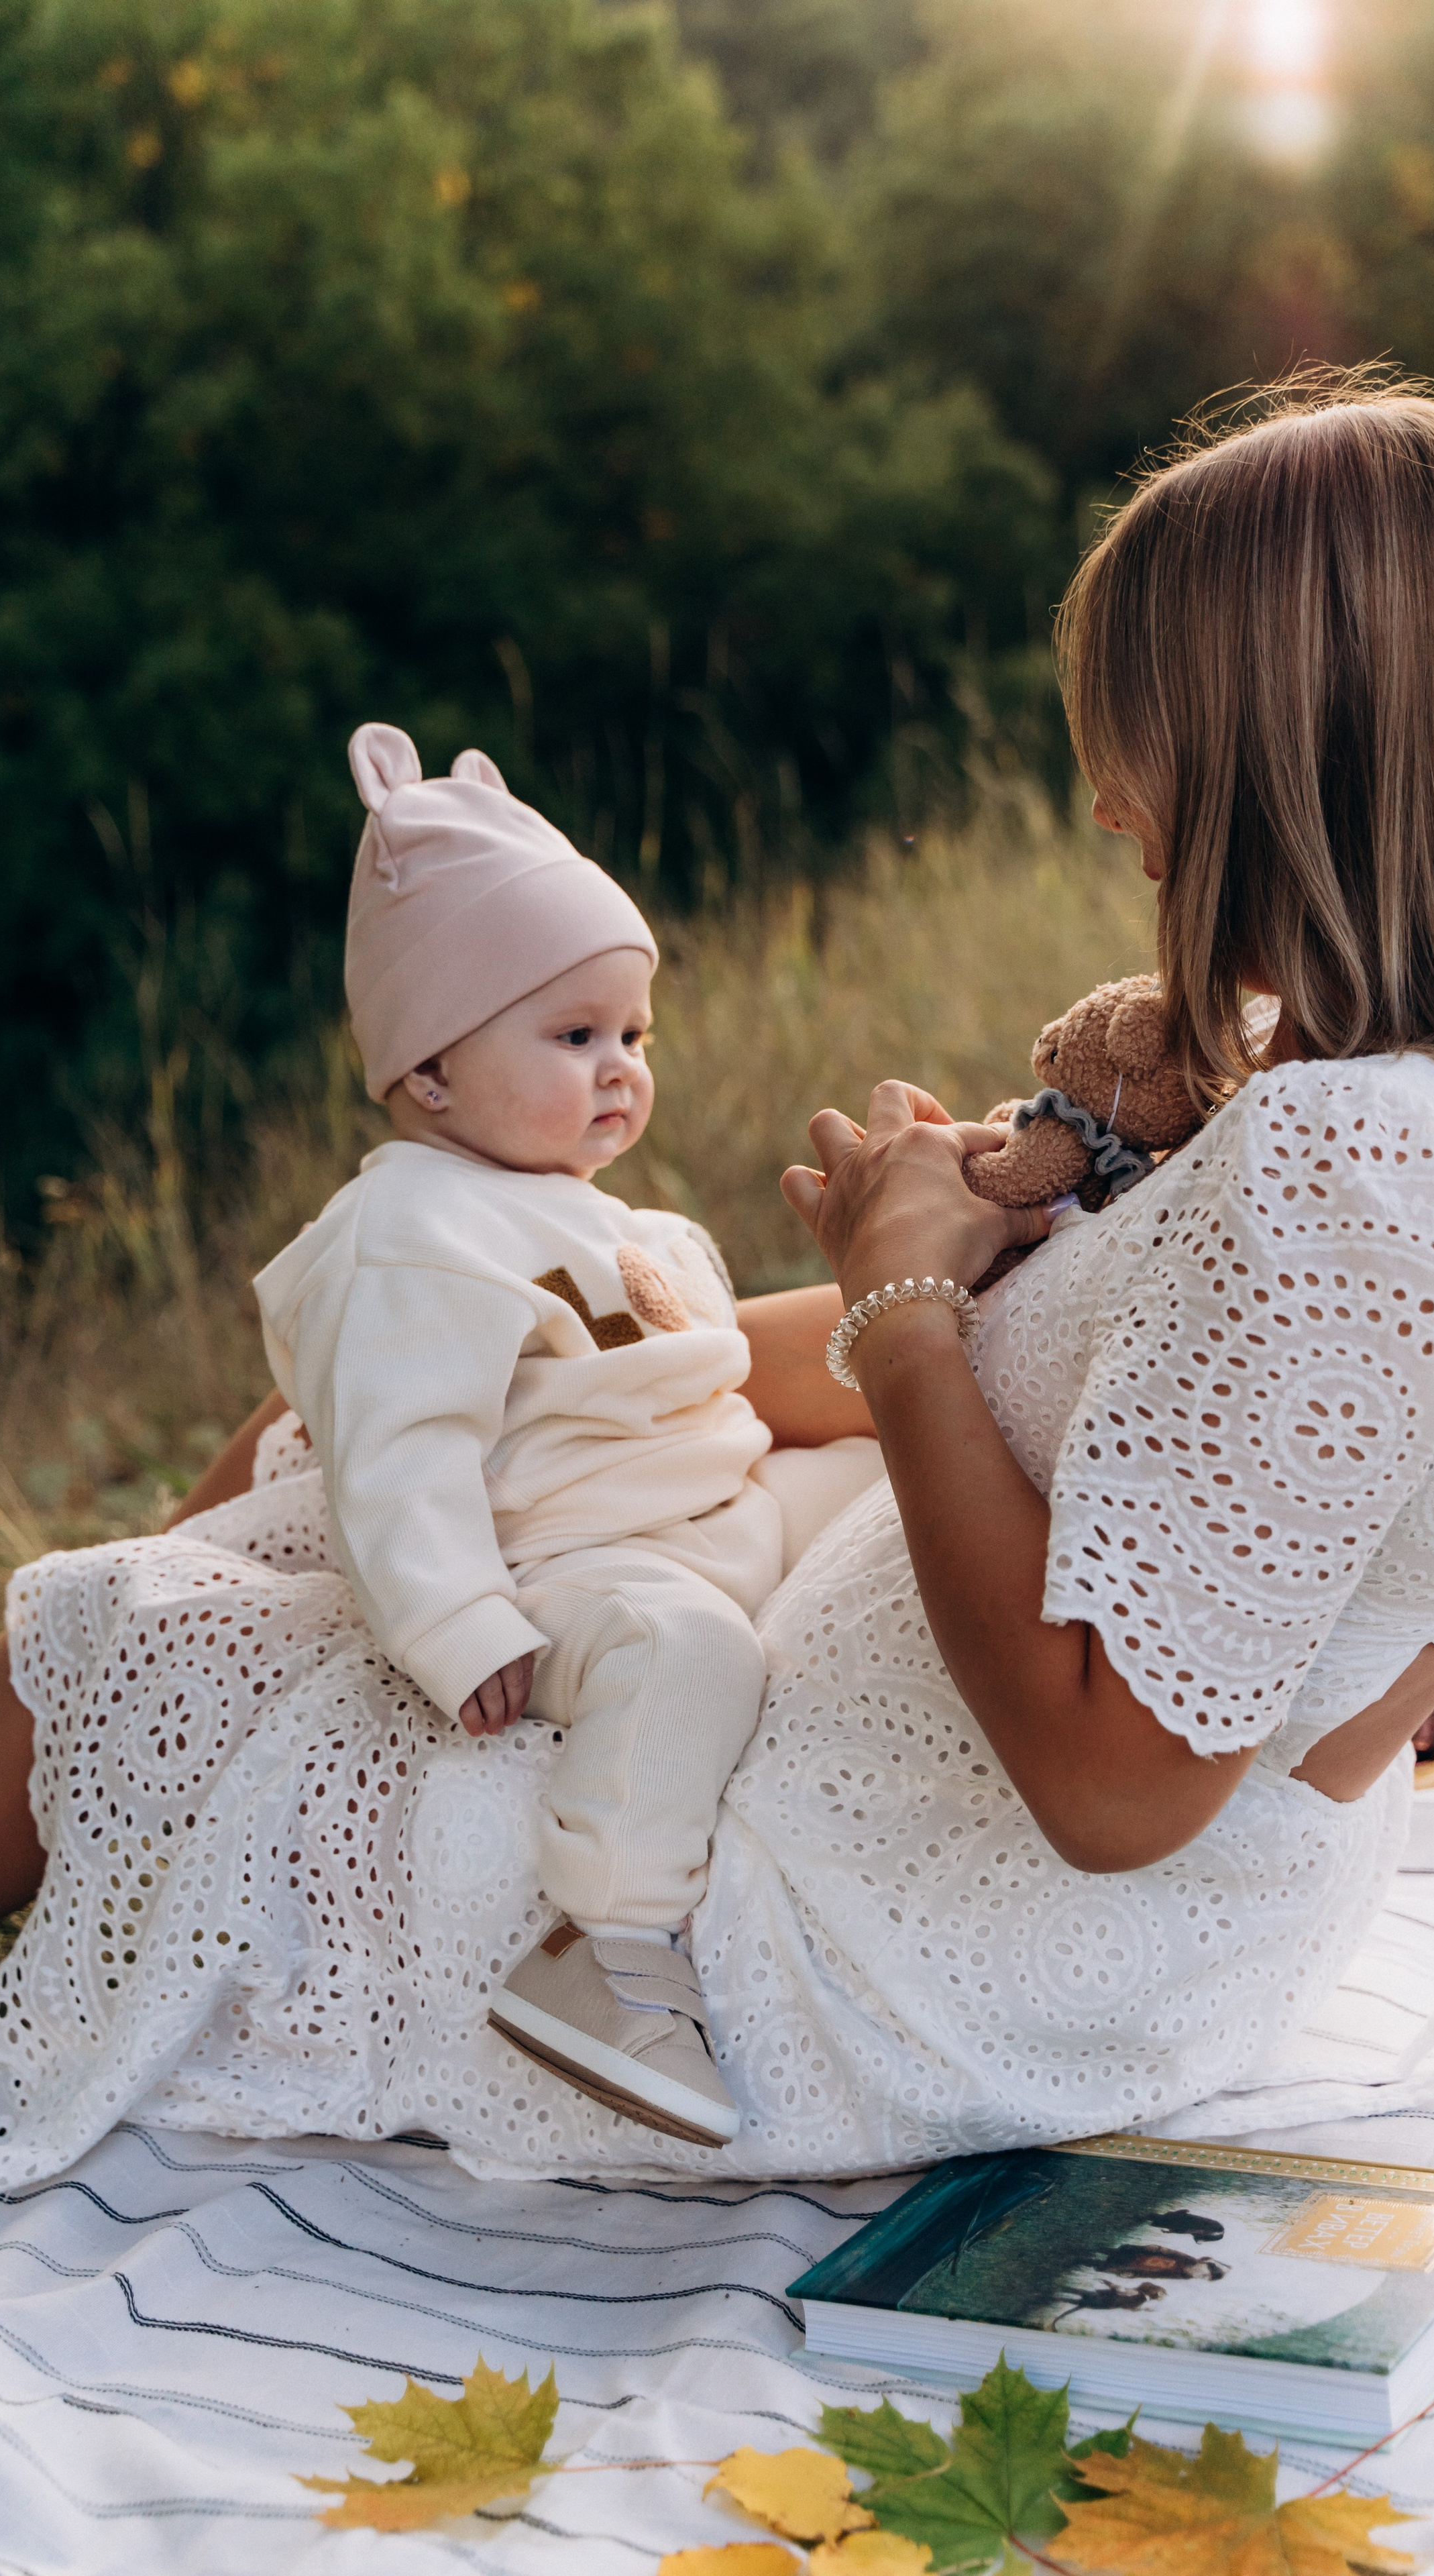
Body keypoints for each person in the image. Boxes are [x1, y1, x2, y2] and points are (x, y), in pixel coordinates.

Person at [0, 373, 1434, 2208]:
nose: (1110, 805)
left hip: (850, 1943)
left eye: (1145, 739)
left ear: (1284, 752)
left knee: (164, 1645)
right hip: (1079, 1941)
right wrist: (969, 1256)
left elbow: (1116, 1788)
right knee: (339, 1444)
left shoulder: (1361, 1172)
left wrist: (909, 1307)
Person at [248, 719, 865, 2149]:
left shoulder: (610, 1219)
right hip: (575, 1567)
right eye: (573, 1035)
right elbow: (393, 1453)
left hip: (715, 1516)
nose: (619, 1069)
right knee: (685, 1652)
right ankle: (608, 1950)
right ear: (430, 1075)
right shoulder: (409, 1229)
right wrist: (461, 1626)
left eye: (633, 1035)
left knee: (879, 1489)